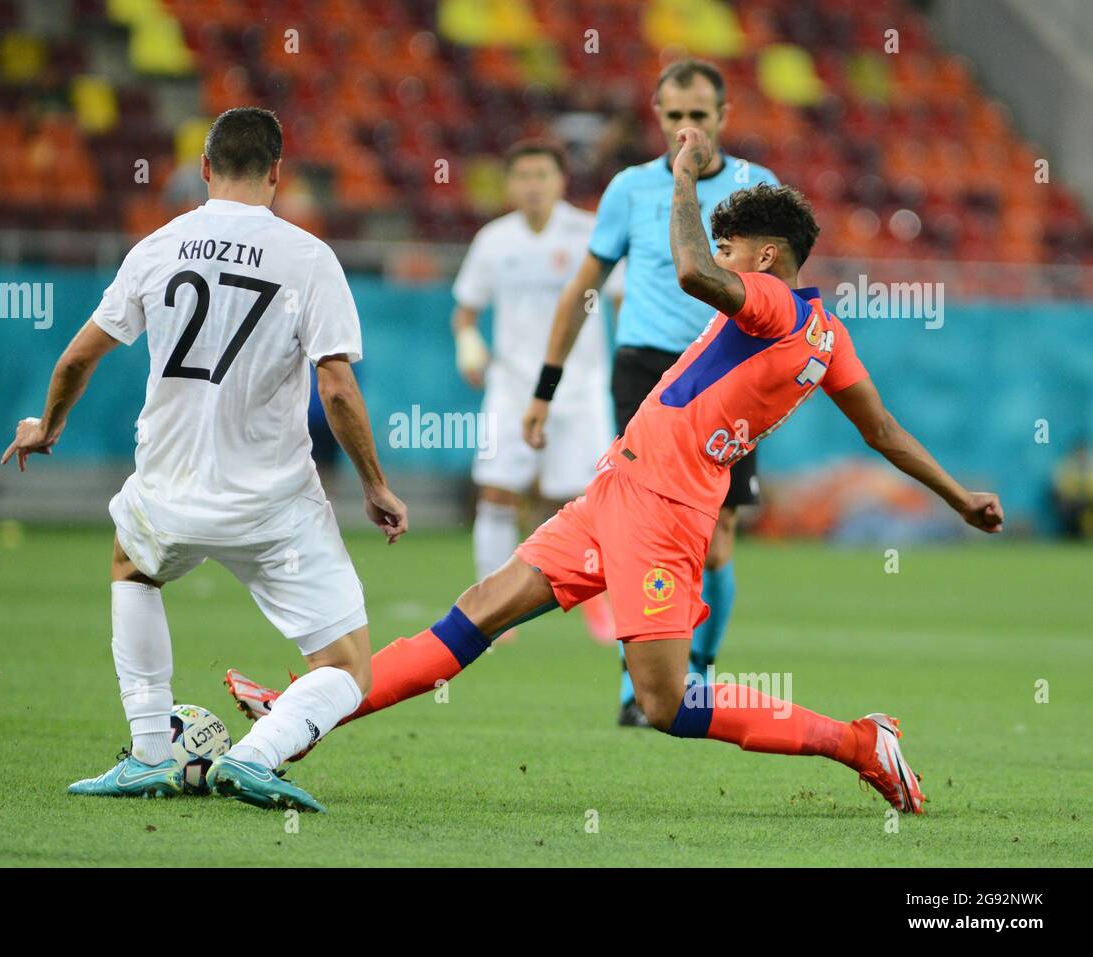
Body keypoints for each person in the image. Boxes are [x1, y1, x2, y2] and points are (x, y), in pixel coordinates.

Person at [227, 127, 1004, 817]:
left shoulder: (765, 299)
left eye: (736, 248)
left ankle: (860, 742)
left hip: (662, 511)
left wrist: (682, 181)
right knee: (480, 609)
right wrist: (959, 496)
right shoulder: (826, 333)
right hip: (620, 492)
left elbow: (697, 271)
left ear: (766, 259)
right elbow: (884, 430)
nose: (723, 261)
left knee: (664, 699)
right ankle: (304, 711)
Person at [1, 107, 407, 811]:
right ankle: (255, 755)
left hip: (169, 485)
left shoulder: (158, 247)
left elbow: (77, 357)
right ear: (279, 174)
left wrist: (47, 426)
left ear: (205, 169)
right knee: (346, 664)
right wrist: (374, 484)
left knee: (132, 564)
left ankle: (151, 753)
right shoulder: (309, 257)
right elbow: (336, 386)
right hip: (272, 501)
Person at [526, 59, 781, 725]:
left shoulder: (758, 188)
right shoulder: (631, 189)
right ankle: (631, 683)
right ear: (657, 116)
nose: (687, 127)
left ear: (723, 116)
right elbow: (582, 287)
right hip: (646, 371)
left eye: (699, 114)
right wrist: (544, 388)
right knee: (638, 529)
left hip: (731, 370)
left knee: (717, 538)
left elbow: (780, 290)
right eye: (674, 116)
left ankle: (696, 667)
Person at [451, 140, 614, 642]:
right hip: (512, 387)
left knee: (587, 501)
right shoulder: (494, 240)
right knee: (498, 491)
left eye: (542, 175)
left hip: (581, 388)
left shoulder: (592, 234)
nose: (532, 185)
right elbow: (465, 312)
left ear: (561, 181)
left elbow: (623, 300)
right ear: (509, 184)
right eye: (522, 176)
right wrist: (468, 344)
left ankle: (598, 603)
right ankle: (493, 608)